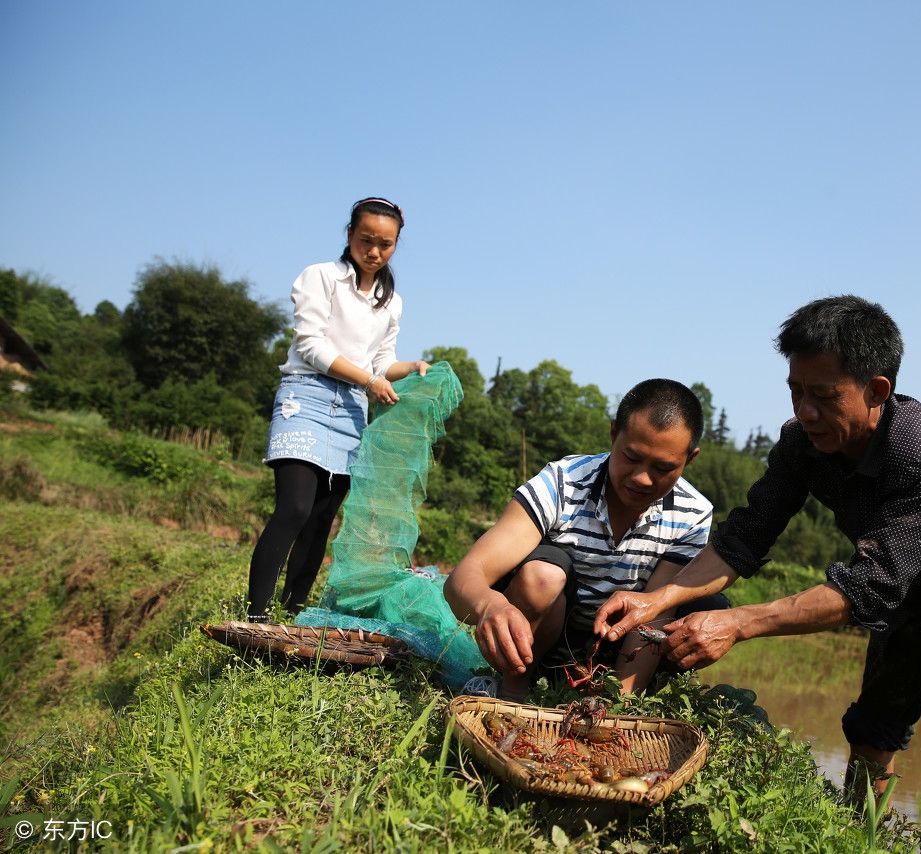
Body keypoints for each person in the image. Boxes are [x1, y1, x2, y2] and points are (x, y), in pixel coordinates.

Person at [595, 296, 921, 854]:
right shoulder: (802, 445)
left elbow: (864, 588)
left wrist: (735, 622)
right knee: (871, 737)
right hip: (907, 595)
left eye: (824, 396)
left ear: (877, 391)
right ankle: (859, 842)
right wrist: (655, 601)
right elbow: (744, 539)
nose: (805, 411)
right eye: (795, 391)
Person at [443, 378, 724, 700]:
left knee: (704, 605)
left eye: (663, 468)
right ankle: (513, 687)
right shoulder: (563, 482)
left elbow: (654, 615)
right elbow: (464, 577)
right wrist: (490, 605)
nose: (642, 478)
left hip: (619, 644)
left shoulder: (692, 514)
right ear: (613, 433)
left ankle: (618, 691)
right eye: (631, 457)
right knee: (544, 575)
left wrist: (620, 703)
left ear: (690, 459)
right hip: (545, 635)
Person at [246, 197, 430, 621]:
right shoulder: (321, 277)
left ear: (396, 245)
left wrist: (414, 368)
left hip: (350, 410)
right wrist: (369, 380)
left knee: (321, 517)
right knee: (294, 506)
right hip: (306, 396)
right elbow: (311, 345)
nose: (374, 251)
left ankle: (291, 615)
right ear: (349, 235)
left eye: (386, 244)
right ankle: (254, 615)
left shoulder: (391, 302)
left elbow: (382, 363)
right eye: (366, 240)